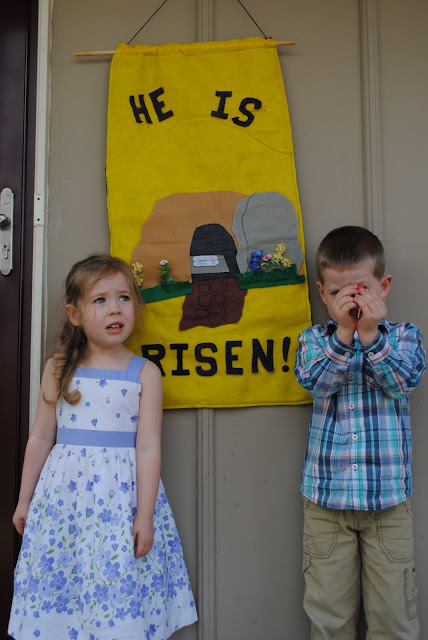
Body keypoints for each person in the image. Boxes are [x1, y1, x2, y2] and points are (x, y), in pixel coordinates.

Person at [9, 254, 197, 640]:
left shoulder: (145, 373)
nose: (115, 308)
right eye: (100, 300)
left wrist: (145, 516)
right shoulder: (59, 367)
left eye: (124, 298)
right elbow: (41, 437)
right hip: (65, 505)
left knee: (116, 583)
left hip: (120, 507)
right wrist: (24, 499)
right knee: (67, 579)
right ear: (74, 315)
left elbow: (148, 448)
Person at [294, 226, 426, 639]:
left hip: (388, 503)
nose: (350, 302)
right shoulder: (314, 341)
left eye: (361, 291)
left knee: (394, 619)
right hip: (326, 504)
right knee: (328, 618)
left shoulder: (404, 337)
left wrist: (369, 336)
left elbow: (402, 382)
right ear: (322, 293)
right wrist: (344, 336)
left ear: (383, 287)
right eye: (338, 293)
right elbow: (316, 382)